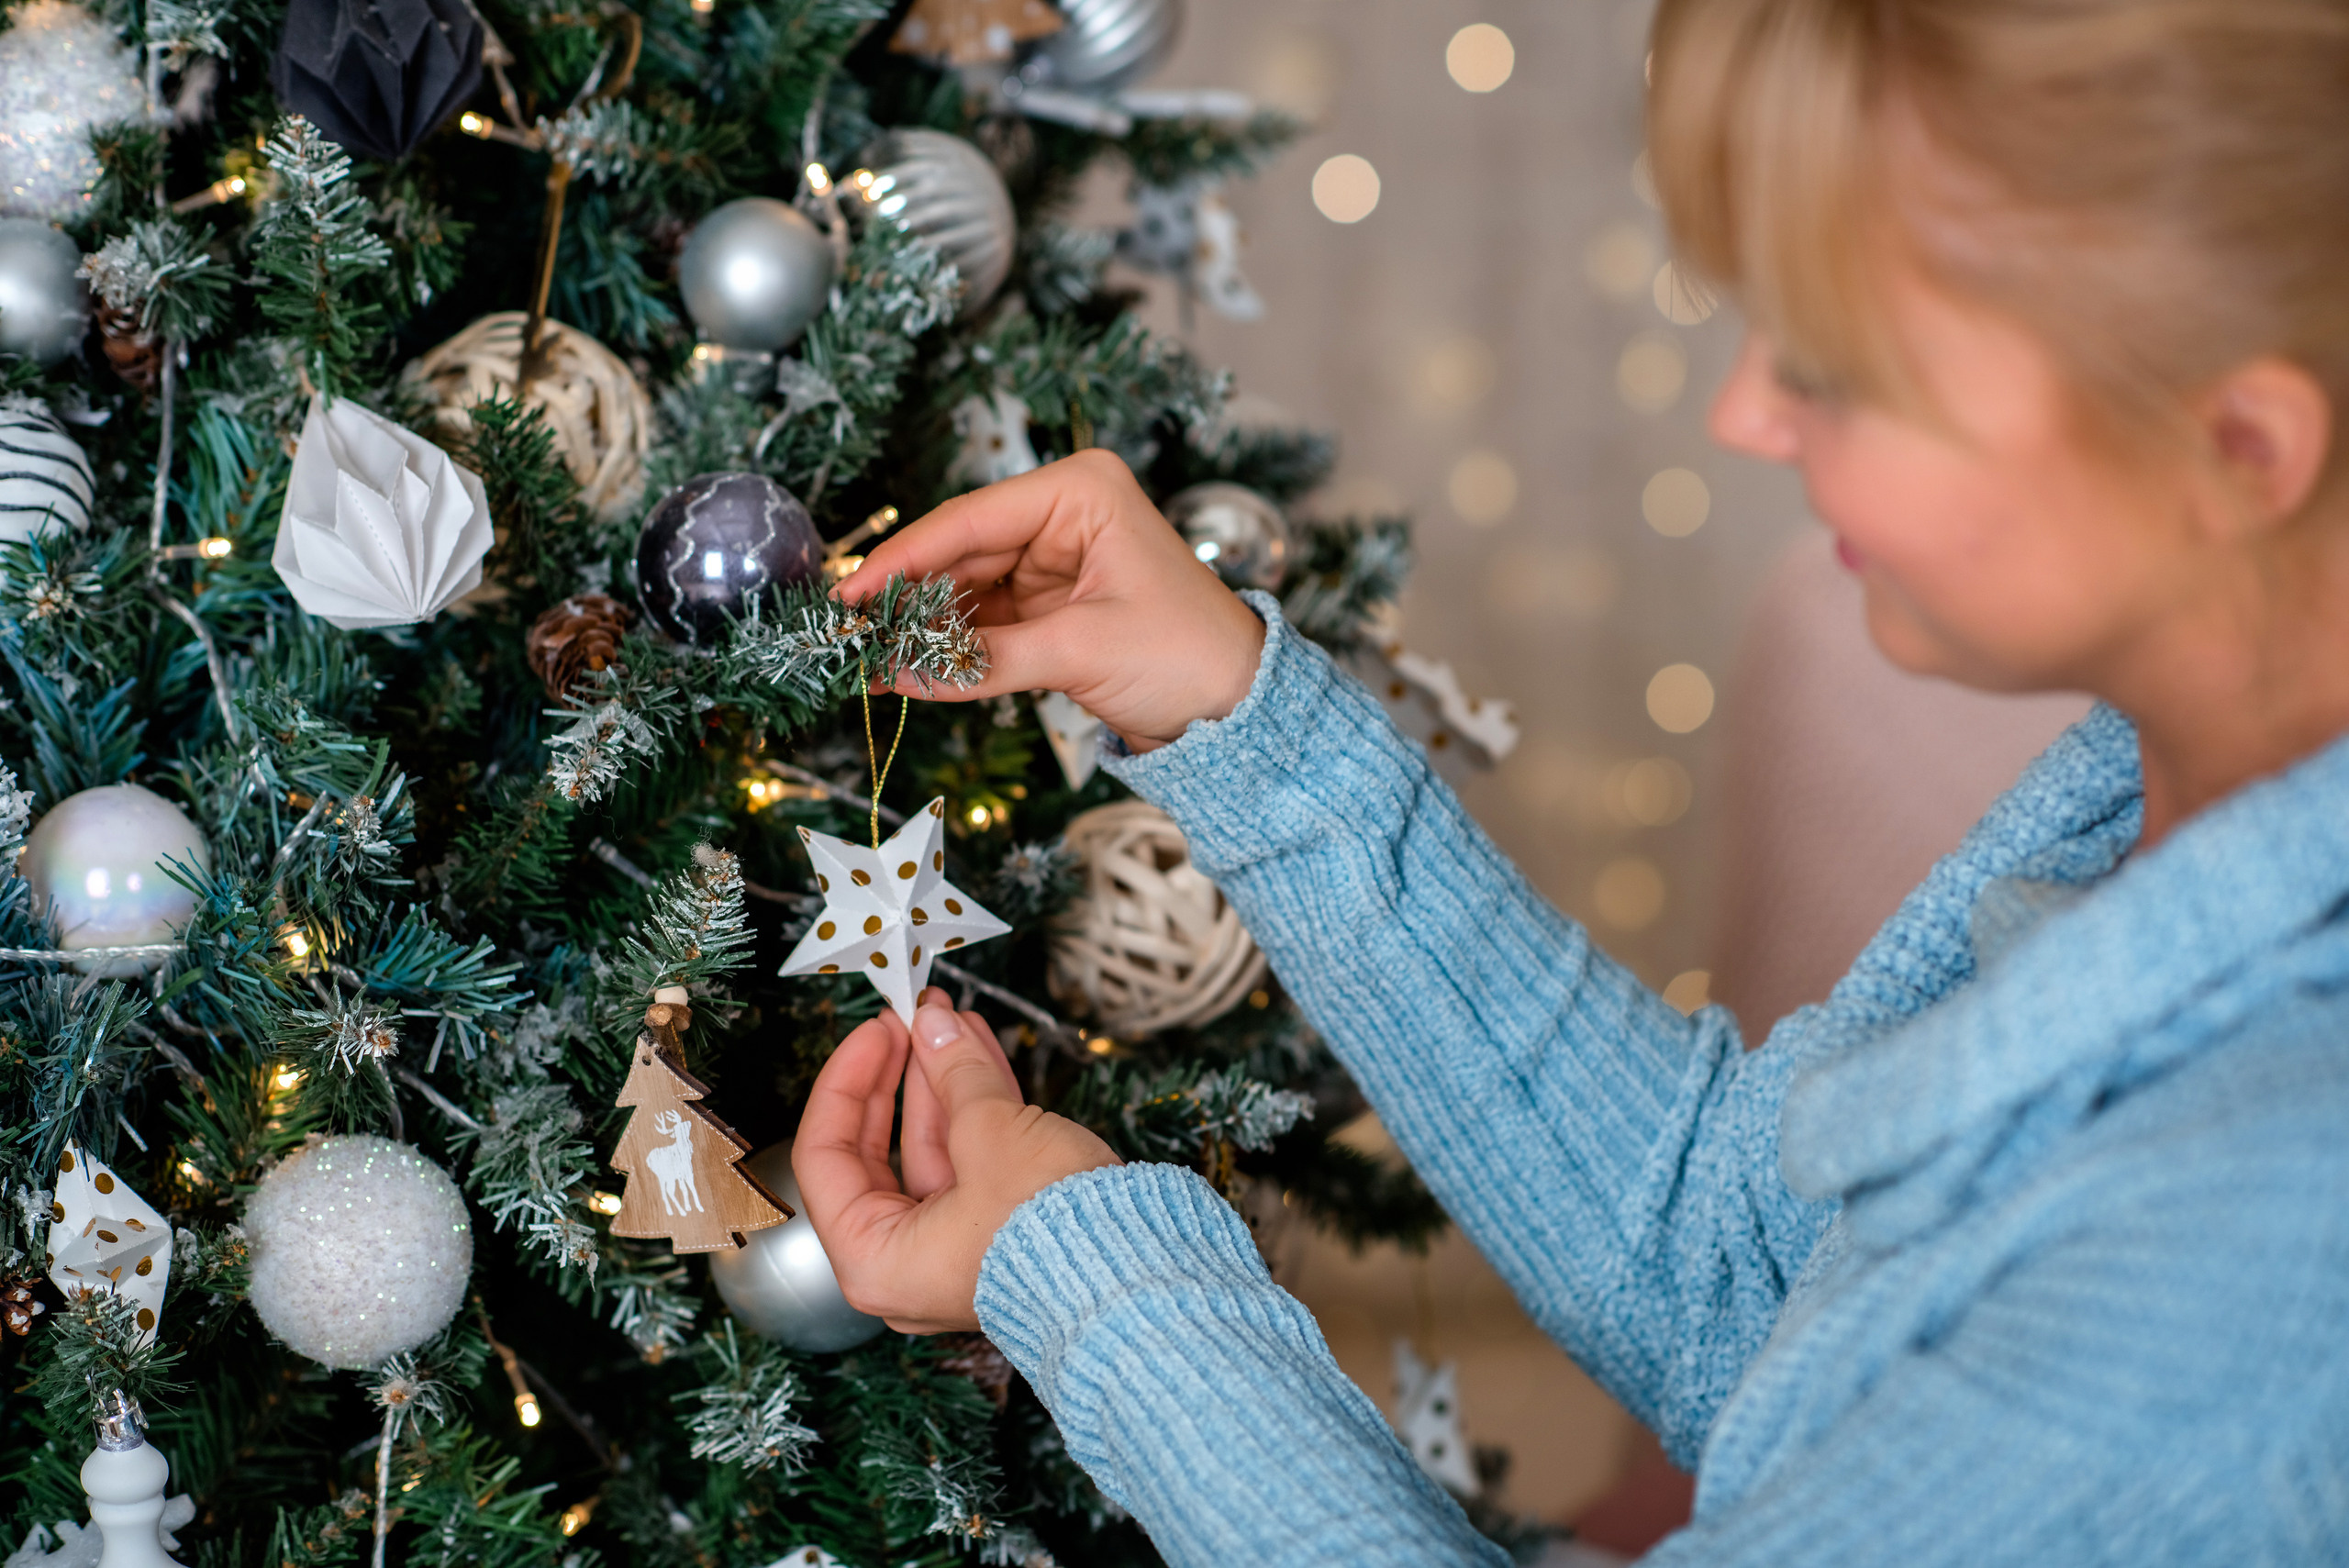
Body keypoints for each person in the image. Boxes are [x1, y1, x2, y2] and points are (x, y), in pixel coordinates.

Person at [793, 0, 2349, 1561]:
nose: (1744, 413)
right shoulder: (2153, 796)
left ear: (2241, 445)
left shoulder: (2262, 1251)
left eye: (1842, 364)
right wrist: (1239, 713)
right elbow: (1745, 1280)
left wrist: (1093, 1280)